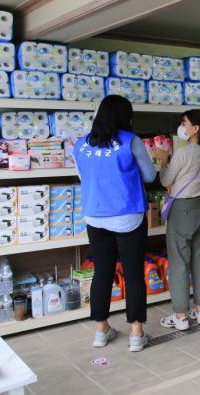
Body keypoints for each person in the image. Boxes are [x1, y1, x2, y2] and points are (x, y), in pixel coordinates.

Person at [74, 95, 156, 352]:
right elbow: (150, 176)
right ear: (125, 117)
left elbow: (82, 177)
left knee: (103, 272)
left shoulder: (81, 144)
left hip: (95, 216)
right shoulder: (131, 141)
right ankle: (136, 334)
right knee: (132, 274)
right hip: (127, 215)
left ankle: (101, 332)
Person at [153, 109, 200, 330]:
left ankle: (180, 316)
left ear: (195, 128)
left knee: (179, 263)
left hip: (182, 210)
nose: (182, 127)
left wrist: (163, 161)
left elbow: (166, 180)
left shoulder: (183, 153)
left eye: (184, 123)